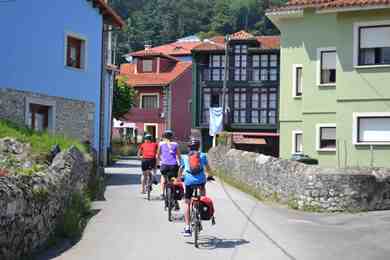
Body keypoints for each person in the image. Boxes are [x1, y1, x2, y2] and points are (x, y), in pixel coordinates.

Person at [179, 137, 214, 237]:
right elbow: (207, 168)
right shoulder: (203, 155)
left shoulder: (185, 157)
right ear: (198, 147)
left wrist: (179, 177)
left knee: (187, 202)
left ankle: (187, 227)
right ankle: (201, 208)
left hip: (189, 181)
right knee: (202, 194)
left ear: (189, 147)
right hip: (201, 181)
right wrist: (210, 176)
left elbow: (181, 168)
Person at [156, 129, 181, 199]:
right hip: (173, 166)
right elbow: (179, 156)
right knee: (173, 179)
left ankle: (162, 193)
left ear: (164, 136)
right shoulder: (176, 144)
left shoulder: (161, 144)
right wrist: (180, 164)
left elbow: (158, 155)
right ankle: (174, 193)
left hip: (164, 165)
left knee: (163, 177)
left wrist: (157, 164)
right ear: (172, 136)